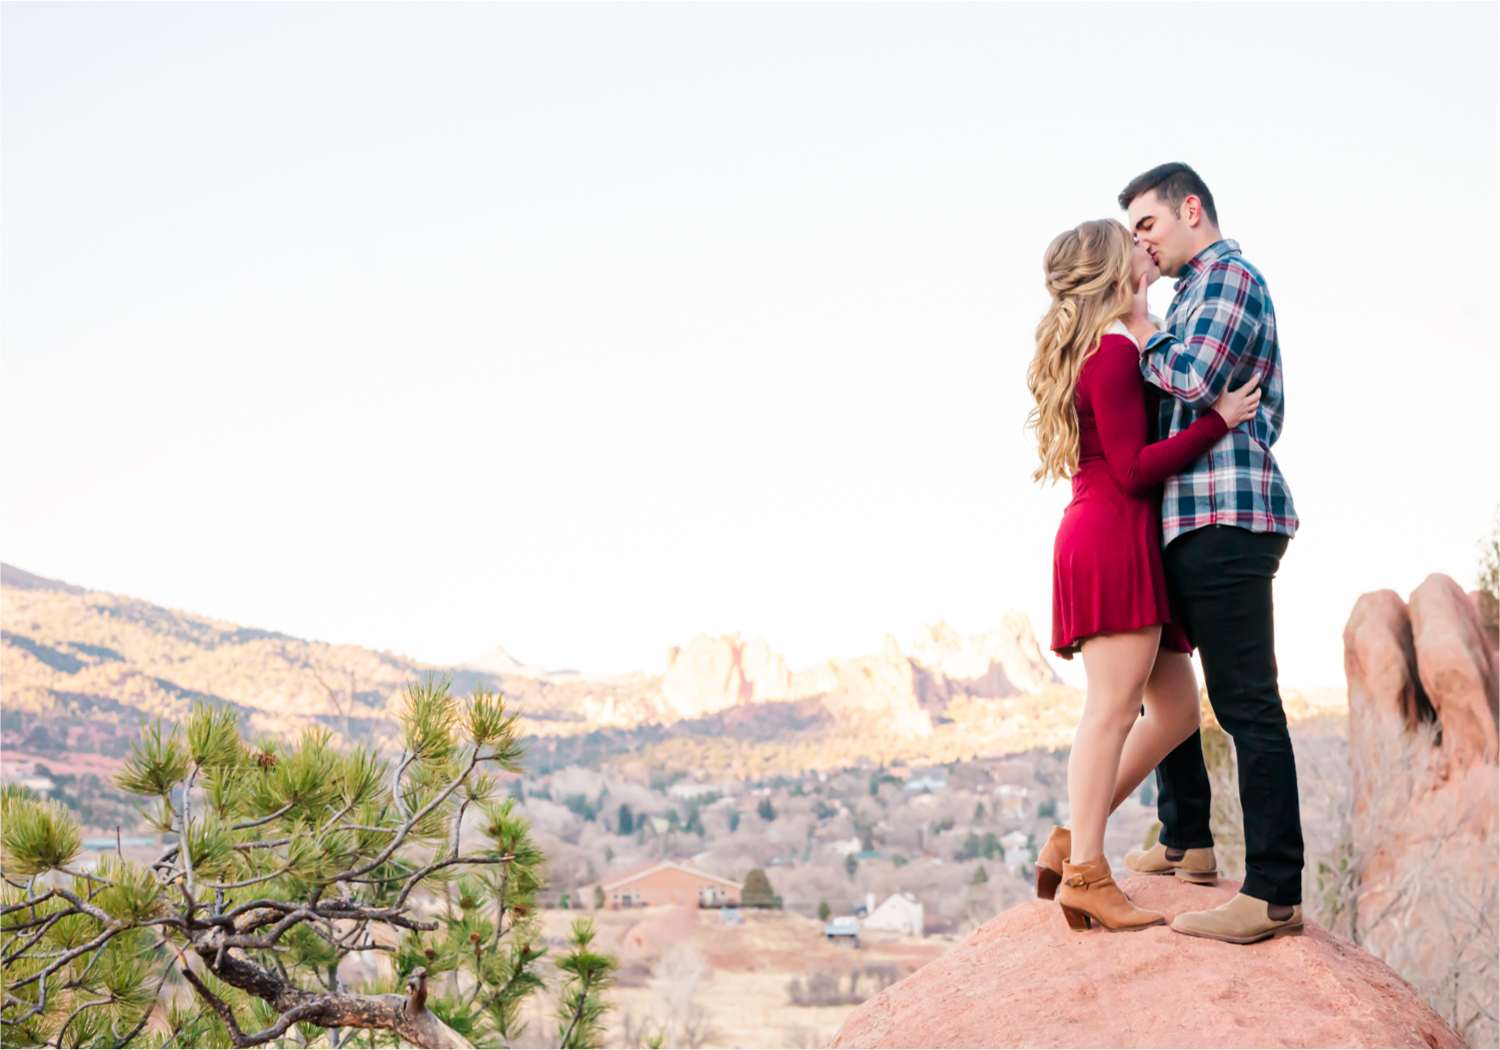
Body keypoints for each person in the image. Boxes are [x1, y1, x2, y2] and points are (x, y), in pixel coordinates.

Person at [1025, 218, 1261, 932]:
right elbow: (1130, 469)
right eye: (1131, 242)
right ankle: (1087, 874)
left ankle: (1074, 836)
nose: (1144, 247)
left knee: (1178, 710)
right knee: (1111, 709)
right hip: (1111, 533)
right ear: (1113, 267)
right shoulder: (1112, 354)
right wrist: (1216, 420)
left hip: (1113, 533)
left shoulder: (1125, 339)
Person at [1117, 162, 1304, 944]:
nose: (1141, 245)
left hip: (1228, 515)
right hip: (1189, 518)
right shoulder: (1192, 294)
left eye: (1147, 227)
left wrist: (1136, 328)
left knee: (1244, 700)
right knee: (1164, 685)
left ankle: (1272, 894)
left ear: (1191, 209)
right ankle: (1186, 839)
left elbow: (1190, 378)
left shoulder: (1228, 277)